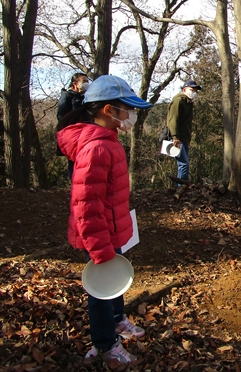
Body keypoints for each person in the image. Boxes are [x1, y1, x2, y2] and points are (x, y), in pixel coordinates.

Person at [56, 75, 152, 366]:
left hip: (111, 232)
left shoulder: (108, 140)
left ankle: (117, 320)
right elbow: (86, 204)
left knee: (116, 284)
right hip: (100, 237)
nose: (131, 115)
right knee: (102, 290)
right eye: (128, 109)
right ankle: (105, 343)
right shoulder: (96, 148)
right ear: (109, 111)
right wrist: (99, 251)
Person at [166, 79, 202, 183]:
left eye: (196, 91)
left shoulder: (188, 102)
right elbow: (173, 120)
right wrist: (175, 137)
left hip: (185, 138)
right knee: (183, 164)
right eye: (192, 89)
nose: (194, 92)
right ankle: (181, 187)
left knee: (183, 164)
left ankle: (182, 187)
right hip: (178, 138)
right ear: (185, 89)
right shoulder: (178, 101)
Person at [57, 72, 90, 179]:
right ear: (75, 84)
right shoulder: (67, 96)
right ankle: (75, 186)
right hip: (73, 136)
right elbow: (62, 116)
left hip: (87, 134)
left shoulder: (87, 97)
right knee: (74, 163)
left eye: (87, 81)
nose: (86, 84)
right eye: (84, 81)